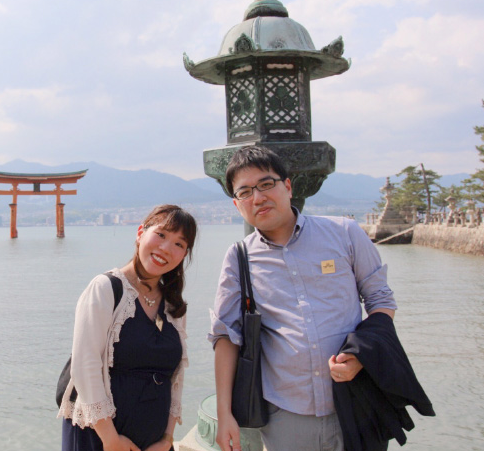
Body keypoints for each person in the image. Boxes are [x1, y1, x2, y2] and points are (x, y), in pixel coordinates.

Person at [208, 146, 397, 451]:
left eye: (266, 184)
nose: (257, 198)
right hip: (285, 417)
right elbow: (226, 336)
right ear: (236, 203)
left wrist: (363, 354)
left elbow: (380, 299)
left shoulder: (345, 233)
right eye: (245, 192)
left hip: (356, 401)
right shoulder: (238, 257)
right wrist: (224, 413)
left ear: (287, 185)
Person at [59, 204, 197, 451]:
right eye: (161, 235)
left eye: (179, 244)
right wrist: (111, 440)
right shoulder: (106, 289)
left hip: (154, 444)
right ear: (140, 233)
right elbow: (85, 365)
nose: (166, 248)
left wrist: (166, 439)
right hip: (99, 439)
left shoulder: (174, 306)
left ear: (184, 254)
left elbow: (175, 377)